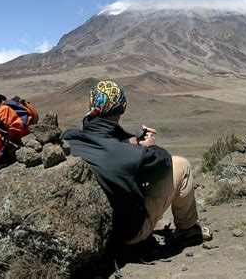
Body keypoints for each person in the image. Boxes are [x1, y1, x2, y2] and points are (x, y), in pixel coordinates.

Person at [61, 79, 211, 247]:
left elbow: (105, 145)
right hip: (126, 234)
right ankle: (188, 231)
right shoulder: (129, 155)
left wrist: (129, 142)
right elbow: (163, 163)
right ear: (122, 106)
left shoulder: (68, 139)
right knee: (180, 164)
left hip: (90, 229)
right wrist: (150, 147)